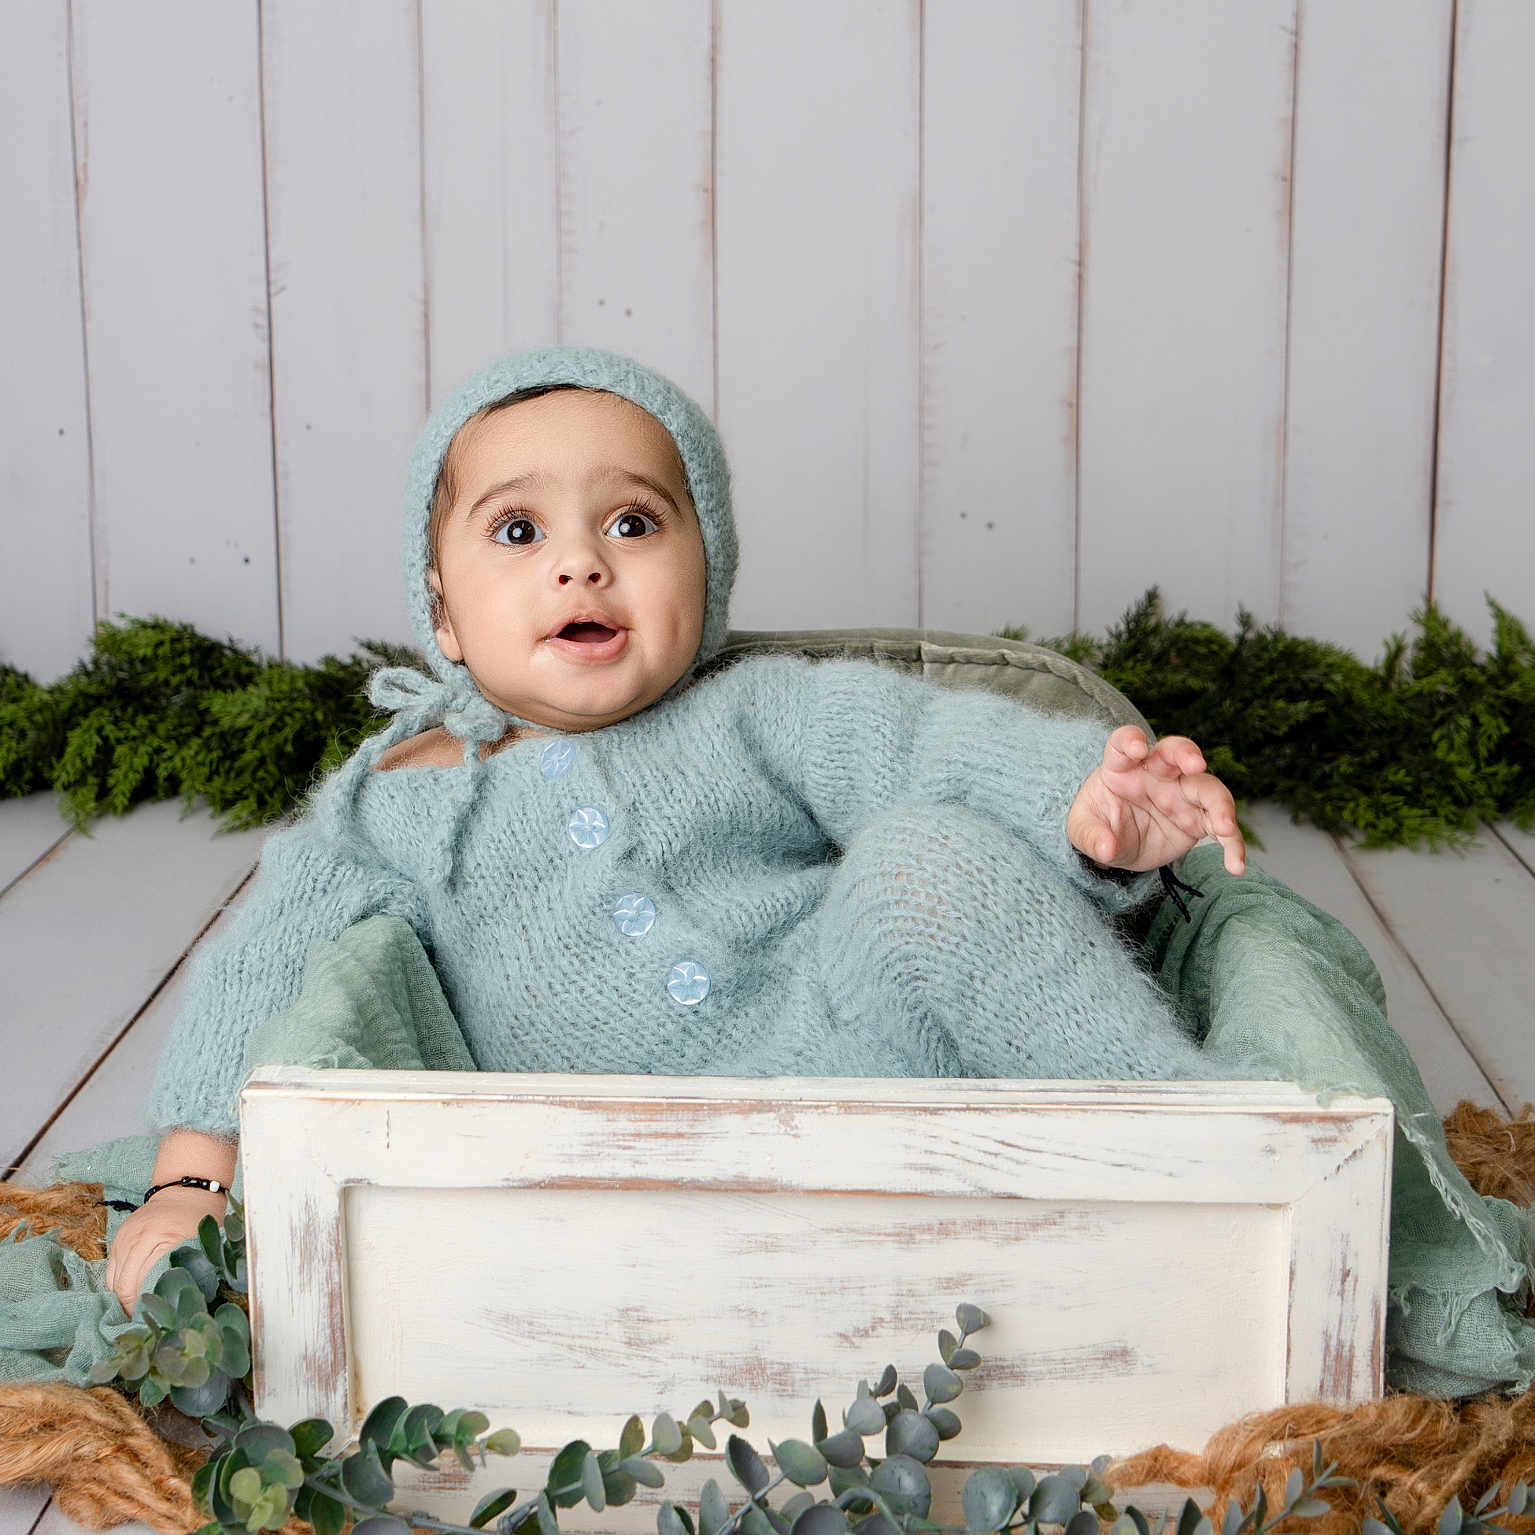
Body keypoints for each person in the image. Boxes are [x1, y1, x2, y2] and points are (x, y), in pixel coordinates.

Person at [105, 347, 1247, 1313]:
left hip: (871, 1057)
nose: (579, 559)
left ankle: (1211, 1166)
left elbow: (923, 742)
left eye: (632, 520)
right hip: (616, 1186)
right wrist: (192, 1183)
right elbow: (260, 966)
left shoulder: (756, 707)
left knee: (924, 852)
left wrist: (1090, 803)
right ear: (442, 616)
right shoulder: (389, 800)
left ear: (709, 574)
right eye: (514, 528)